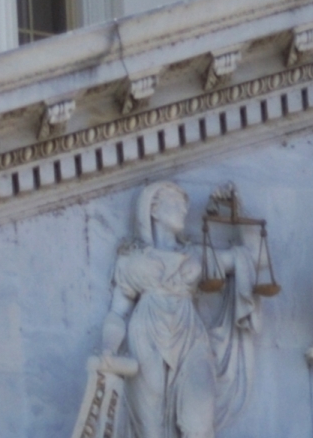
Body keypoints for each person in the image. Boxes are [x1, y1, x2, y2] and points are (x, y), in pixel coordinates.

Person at [87, 180, 256, 438]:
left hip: (191, 338)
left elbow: (247, 258)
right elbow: (118, 313)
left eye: (185, 205)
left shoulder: (196, 255)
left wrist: (238, 210)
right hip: (147, 337)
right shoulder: (133, 261)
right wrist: (109, 348)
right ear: (153, 209)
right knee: (151, 428)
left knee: (199, 425)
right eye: (175, 203)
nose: (183, 210)